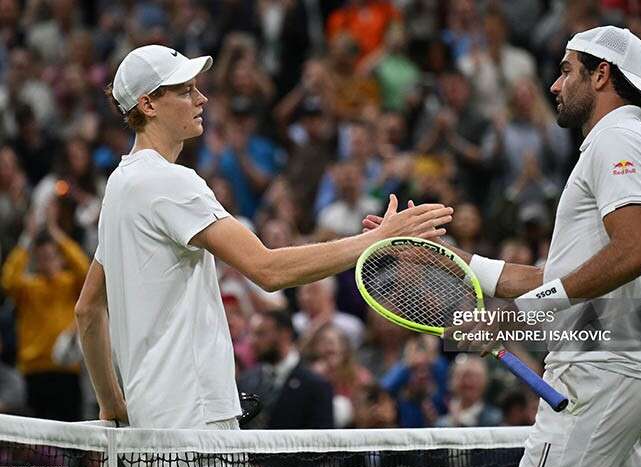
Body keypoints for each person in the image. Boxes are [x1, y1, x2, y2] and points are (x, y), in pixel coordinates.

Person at [74, 45, 453, 430]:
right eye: (185, 90)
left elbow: (87, 310)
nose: (201, 98)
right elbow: (268, 269)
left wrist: (112, 404)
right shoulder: (170, 183)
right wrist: (379, 238)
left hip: (148, 422)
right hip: (195, 421)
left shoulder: (120, 187)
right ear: (148, 105)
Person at [365, 26, 641, 467]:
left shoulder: (618, 141)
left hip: (599, 373)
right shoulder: (627, 141)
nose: (555, 84)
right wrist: (447, 260)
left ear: (602, 75)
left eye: (566, 70)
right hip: (625, 373)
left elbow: (632, 252)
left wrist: (513, 319)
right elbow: (562, 276)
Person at [1, 205, 88, 421]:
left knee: (72, 438)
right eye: (41, 257)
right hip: (34, 371)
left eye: (51, 256)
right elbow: (7, 280)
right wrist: (26, 239)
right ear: (36, 261)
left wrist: (56, 233)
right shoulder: (28, 288)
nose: (47, 261)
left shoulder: (70, 284)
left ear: (59, 258)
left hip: (67, 370)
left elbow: (85, 270)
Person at [237, 310, 334, 429]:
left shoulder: (316, 385)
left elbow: (321, 439)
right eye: (251, 334)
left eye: (260, 334)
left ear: (285, 334)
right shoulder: (245, 381)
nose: (252, 341)